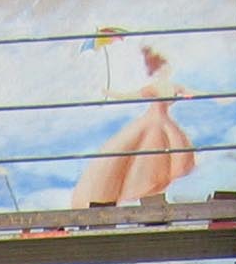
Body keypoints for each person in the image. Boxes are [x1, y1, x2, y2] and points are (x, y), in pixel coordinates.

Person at [73, 42, 198, 206]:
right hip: (153, 123)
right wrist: (110, 93)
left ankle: (156, 194)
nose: (167, 69)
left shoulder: (175, 87)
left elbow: (192, 93)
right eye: (163, 66)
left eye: (166, 66)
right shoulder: (153, 87)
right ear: (158, 69)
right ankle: (146, 192)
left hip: (165, 123)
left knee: (167, 157)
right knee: (150, 156)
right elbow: (130, 96)